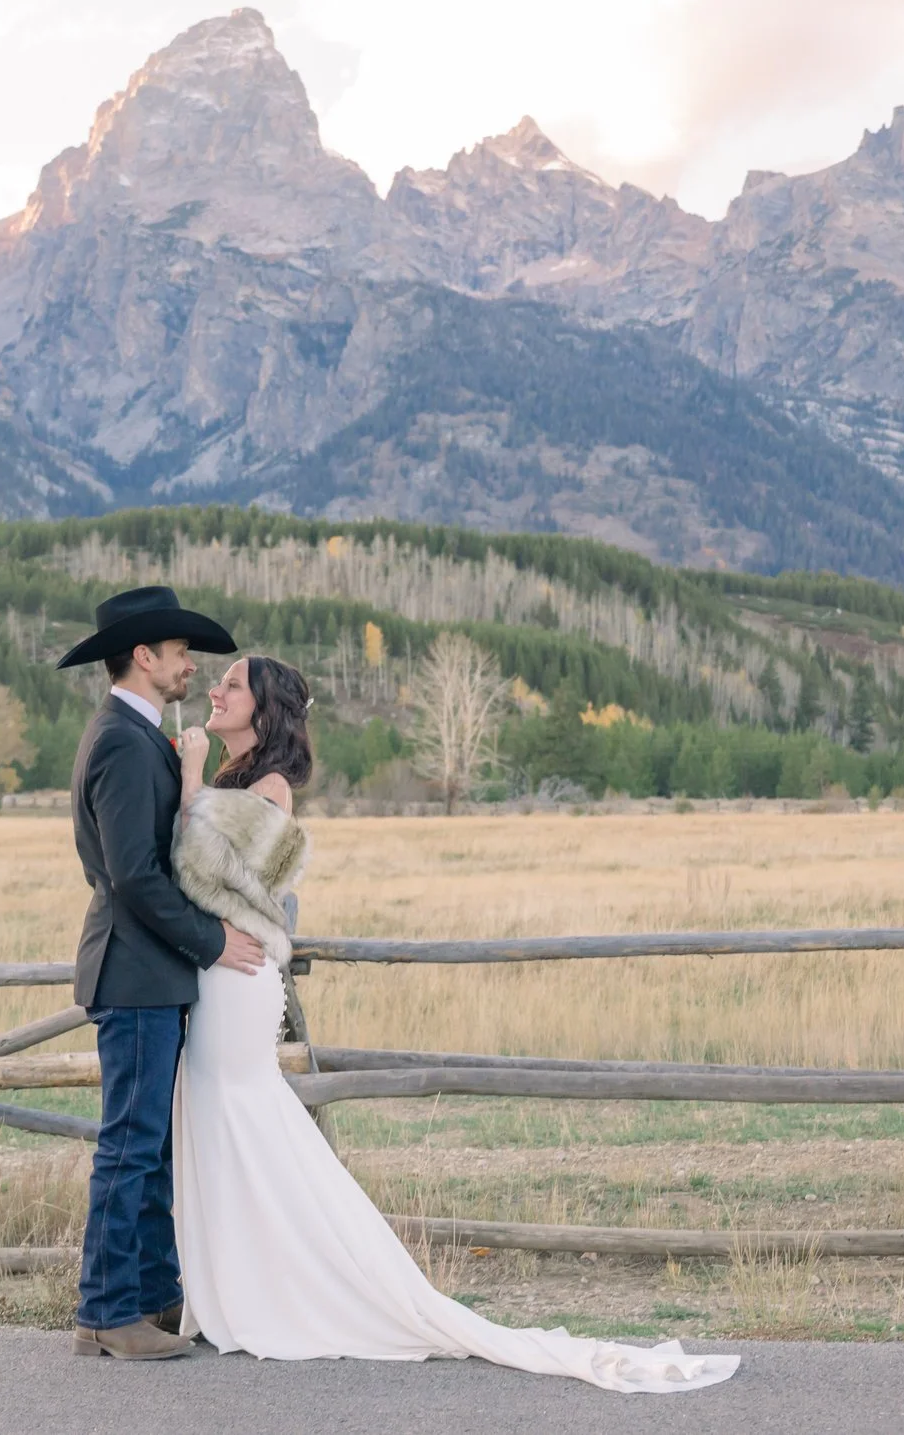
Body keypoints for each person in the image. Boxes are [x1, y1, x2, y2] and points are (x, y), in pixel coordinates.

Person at [164, 651, 740, 1394]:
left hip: (238, 978)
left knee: (243, 1116)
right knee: (220, 1119)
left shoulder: (269, 786)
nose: (215, 688)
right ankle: (236, 1284)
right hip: (221, 975)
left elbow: (198, 865)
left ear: (264, 711)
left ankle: (300, 1284)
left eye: (232, 684)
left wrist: (186, 777)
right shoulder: (232, 781)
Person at [58, 586, 268, 1361]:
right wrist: (212, 941)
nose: (190, 665)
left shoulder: (139, 735)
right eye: (180, 653)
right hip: (136, 971)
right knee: (129, 1146)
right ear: (144, 657)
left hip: (150, 973)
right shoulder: (119, 739)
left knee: (148, 1147)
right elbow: (134, 878)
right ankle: (105, 1310)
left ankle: (150, 1295)